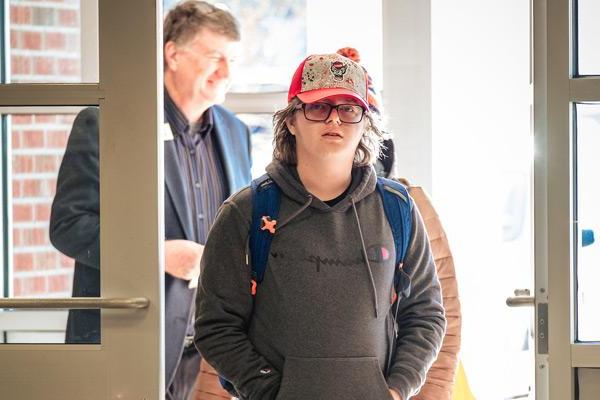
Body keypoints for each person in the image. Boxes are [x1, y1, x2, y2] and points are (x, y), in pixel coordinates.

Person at [194, 53, 445, 400]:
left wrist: (397, 389)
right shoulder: (247, 211)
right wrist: (270, 392)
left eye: (348, 109)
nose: (334, 120)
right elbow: (215, 326)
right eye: (318, 107)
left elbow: (426, 313)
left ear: (365, 123)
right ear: (291, 121)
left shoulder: (397, 208)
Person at [49, 1, 251, 399]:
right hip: (129, 347)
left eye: (233, 59)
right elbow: (68, 227)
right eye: (215, 58)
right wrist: (156, 254)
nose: (227, 72)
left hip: (211, 358)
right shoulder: (109, 122)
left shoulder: (236, 132)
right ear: (172, 54)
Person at [336, 47, 463, 400]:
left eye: (353, 116)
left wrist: (413, 392)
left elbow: (439, 316)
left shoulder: (407, 207)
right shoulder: (272, 207)